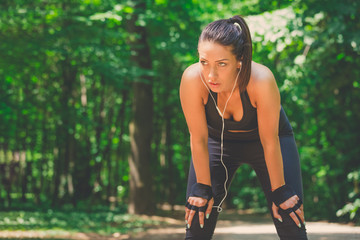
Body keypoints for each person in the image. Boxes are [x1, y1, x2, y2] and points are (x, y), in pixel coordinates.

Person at [179, 15, 308, 240]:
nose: (211, 74)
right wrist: (202, 187)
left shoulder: (261, 80)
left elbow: (270, 141)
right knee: (198, 214)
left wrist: (280, 191)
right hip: (216, 144)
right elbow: (198, 138)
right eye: (204, 62)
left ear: (239, 60)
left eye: (221, 64)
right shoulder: (192, 80)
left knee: (289, 214)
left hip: (268, 142)